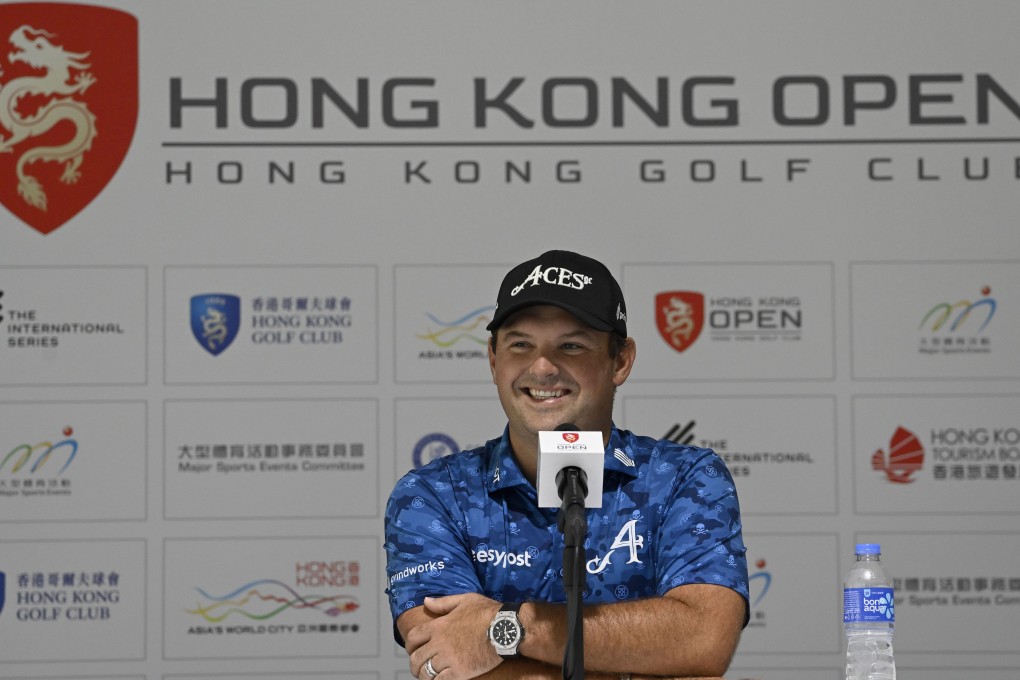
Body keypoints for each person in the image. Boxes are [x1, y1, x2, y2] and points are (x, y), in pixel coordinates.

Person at [384, 250, 749, 680]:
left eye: (571, 346)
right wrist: (644, 667)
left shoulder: (685, 478)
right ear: (494, 360)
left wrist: (506, 626)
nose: (542, 367)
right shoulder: (432, 495)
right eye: (521, 345)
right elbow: (445, 657)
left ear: (621, 361)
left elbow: (703, 639)